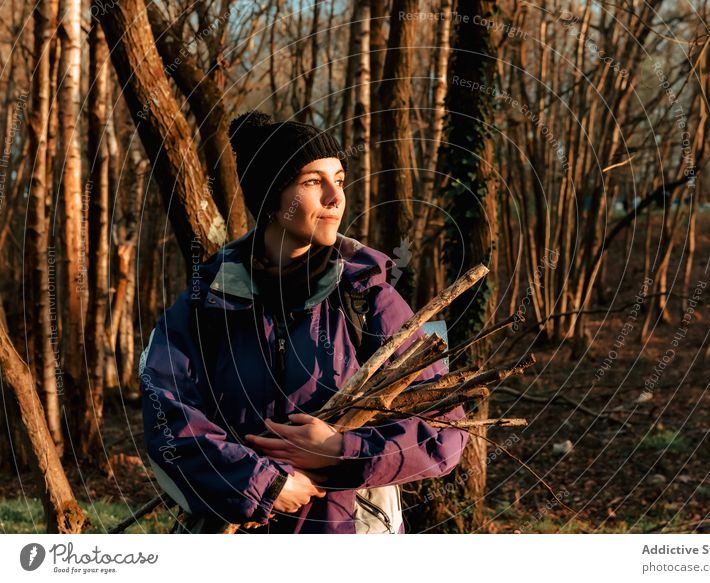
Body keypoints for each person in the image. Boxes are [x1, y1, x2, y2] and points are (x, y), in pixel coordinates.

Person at [139, 112, 469, 534]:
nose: (336, 197)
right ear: (273, 199)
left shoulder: (369, 300)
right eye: (314, 181)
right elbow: (166, 421)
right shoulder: (206, 308)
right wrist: (263, 484)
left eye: (340, 179)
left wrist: (340, 450)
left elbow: (446, 430)